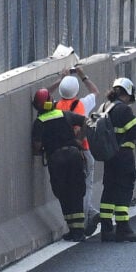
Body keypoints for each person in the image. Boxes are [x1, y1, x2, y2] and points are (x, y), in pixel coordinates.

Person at [48, 67, 100, 237]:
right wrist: (81, 74)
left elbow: (44, 94)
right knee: (85, 186)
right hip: (83, 150)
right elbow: (95, 91)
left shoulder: (55, 105)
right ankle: (86, 219)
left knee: (71, 189)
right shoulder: (82, 104)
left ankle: (89, 214)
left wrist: (60, 79)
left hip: (61, 154)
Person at [31, 88, 87, 242]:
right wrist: (78, 140)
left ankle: (72, 228)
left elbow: (36, 147)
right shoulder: (64, 114)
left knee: (63, 193)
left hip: (56, 159)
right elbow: (86, 121)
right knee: (76, 191)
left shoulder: (39, 123)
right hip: (74, 155)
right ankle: (79, 230)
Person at [99, 77, 136, 242]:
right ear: (127, 93)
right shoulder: (124, 110)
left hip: (109, 157)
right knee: (124, 191)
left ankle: (106, 228)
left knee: (109, 190)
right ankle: (123, 228)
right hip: (123, 157)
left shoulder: (104, 107)